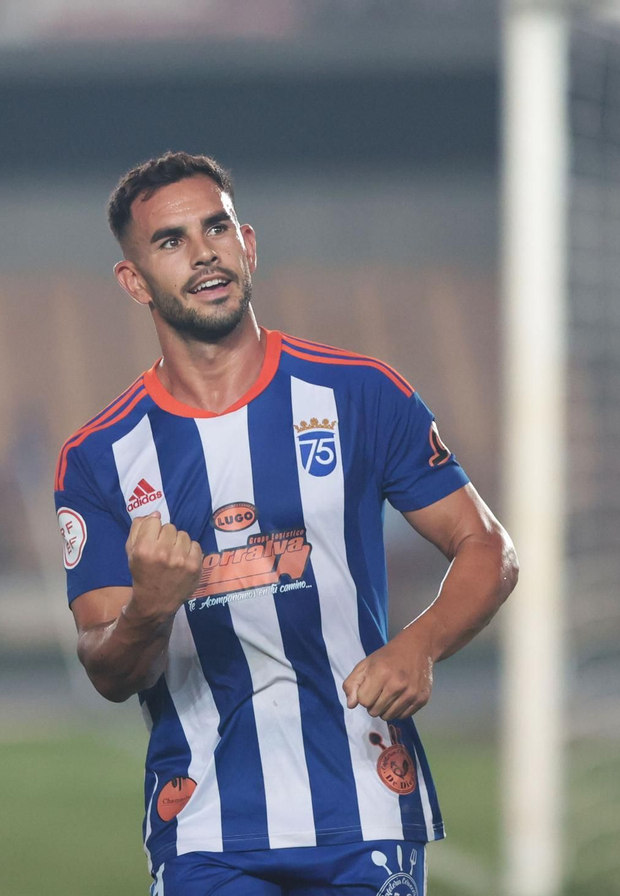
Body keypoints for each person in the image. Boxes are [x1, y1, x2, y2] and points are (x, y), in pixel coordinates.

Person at [53, 153, 517, 895]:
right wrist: (150, 604)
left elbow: (487, 548)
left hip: (364, 798)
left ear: (249, 244)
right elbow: (110, 672)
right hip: (204, 823)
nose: (203, 251)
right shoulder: (100, 457)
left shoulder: (359, 394)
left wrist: (419, 647)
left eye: (217, 227)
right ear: (134, 280)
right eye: (170, 241)